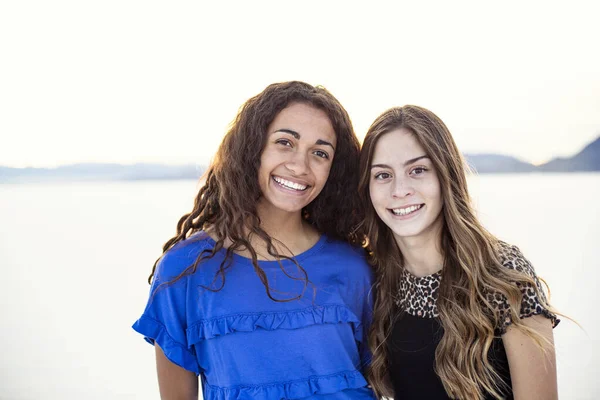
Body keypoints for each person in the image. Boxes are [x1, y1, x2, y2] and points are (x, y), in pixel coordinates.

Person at [132, 81, 375, 400]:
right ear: (253, 147)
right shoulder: (184, 271)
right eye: (285, 142)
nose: (299, 166)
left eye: (319, 153)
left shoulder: (354, 267)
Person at [358, 105, 559, 400]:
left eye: (418, 170)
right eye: (383, 175)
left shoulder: (503, 275)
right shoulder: (375, 279)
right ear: (368, 188)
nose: (400, 190)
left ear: (446, 176)